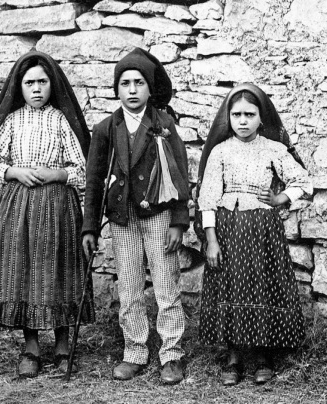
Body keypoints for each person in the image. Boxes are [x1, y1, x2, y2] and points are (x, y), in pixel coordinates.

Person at [0, 51, 94, 378]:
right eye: (30, 83)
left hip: (57, 207)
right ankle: (30, 346)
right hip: (18, 207)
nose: (37, 88)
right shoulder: (12, 121)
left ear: (51, 84)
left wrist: (56, 174)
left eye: (43, 81)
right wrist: (15, 171)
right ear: (20, 87)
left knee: (57, 270)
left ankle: (62, 343)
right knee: (23, 271)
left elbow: (82, 169)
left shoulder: (60, 120)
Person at [82, 48, 190, 384]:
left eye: (139, 83)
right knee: (129, 285)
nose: (132, 90)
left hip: (158, 215)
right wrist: (90, 226)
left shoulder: (163, 123)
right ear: (117, 88)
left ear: (149, 88)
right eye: (125, 83)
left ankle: (171, 353)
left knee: (165, 282)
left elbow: (180, 174)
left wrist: (178, 220)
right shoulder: (105, 128)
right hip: (121, 217)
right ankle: (135, 350)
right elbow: (94, 178)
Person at [196, 83, 312, 386]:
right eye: (237, 115)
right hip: (227, 229)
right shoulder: (220, 152)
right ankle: (233, 357)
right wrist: (211, 240)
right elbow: (208, 197)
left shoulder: (273, 149)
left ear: (262, 117)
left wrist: (280, 199)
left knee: (262, 284)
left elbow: (303, 180)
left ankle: (263, 355)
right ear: (228, 118)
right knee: (231, 285)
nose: (243, 121)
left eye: (250, 114)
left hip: (263, 230)